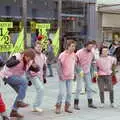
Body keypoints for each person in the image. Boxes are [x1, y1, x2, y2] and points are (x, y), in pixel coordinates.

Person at [0, 48, 35, 118]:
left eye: (30, 58)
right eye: (28, 57)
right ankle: (19, 102)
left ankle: (14, 111)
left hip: (15, 77)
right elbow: (8, 64)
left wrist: (36, 68)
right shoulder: (17, 56)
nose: (29, 59)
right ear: (25, 55)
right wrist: (18, 60)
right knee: (24, 82)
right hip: (7, 75)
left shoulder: (29, 61)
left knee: (21, 93)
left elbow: (31, 69)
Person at [74, 41, 97, 110]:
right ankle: (76, 104)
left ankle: (90, 103)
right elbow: (75, 62)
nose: (91, 48)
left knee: (89, 88)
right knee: (79, 88)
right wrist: (78, 70)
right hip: (80, 72)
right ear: (85, 46)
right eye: (89, 46)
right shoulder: (79, 52)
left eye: (91, 46)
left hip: (87, 72)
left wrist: (95, 71)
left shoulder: (92, 53)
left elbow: (93, 62)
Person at [55, 40, 76, 114]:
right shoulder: (62, 55)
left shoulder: (74, 54)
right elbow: (58, 66)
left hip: (70, 77)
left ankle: (67, 107)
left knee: (70, 93)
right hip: (63, 77)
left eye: (74, 46)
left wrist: (75, 74)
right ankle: (58, 106)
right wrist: (60, 75)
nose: (74, 48)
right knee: (61, 93)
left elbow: (74, 65)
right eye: (72, 46)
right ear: (68, 46)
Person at [28, 41, 47, 112]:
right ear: (35, 47)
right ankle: (36, 106)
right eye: (38, 47)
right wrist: (28, 79)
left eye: (40, 47)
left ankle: (35, 106)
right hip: (33, 75)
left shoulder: (43, 56)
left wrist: (44, 77)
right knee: (41, 89)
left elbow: (45, 67)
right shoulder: (32, 55)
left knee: (40, 91)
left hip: (40, 76)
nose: (39, 48)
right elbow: (27, 66)